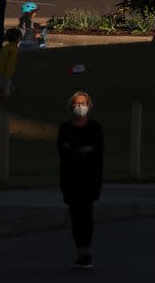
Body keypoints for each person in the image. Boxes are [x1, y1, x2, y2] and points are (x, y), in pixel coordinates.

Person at [57, 91, 104, 269]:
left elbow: (97, 154)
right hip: (70, 179)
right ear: (71, 107)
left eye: (83, 103)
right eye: (77, 104)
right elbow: (64, 152)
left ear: (89, 105)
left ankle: (87, 251)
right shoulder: (65, 128)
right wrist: (83, 150)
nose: (80, 107)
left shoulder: (95, 127)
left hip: (89, 179)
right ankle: (79, 251)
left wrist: (75, 149)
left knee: (86, 216)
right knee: (76, 216)